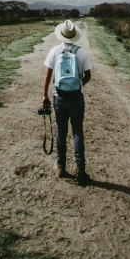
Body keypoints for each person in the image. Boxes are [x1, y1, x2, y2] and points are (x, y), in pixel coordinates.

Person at [42, 19, 92, 186]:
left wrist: (45, 96)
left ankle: (61, 166)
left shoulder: (55, 51)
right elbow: (88, 76)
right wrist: (78, 85)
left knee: (61, 131)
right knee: (77, 132)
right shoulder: (81, 52)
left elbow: (48, 75)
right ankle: (81, 169)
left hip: (59, 97)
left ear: (61, 35)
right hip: (77, 98)